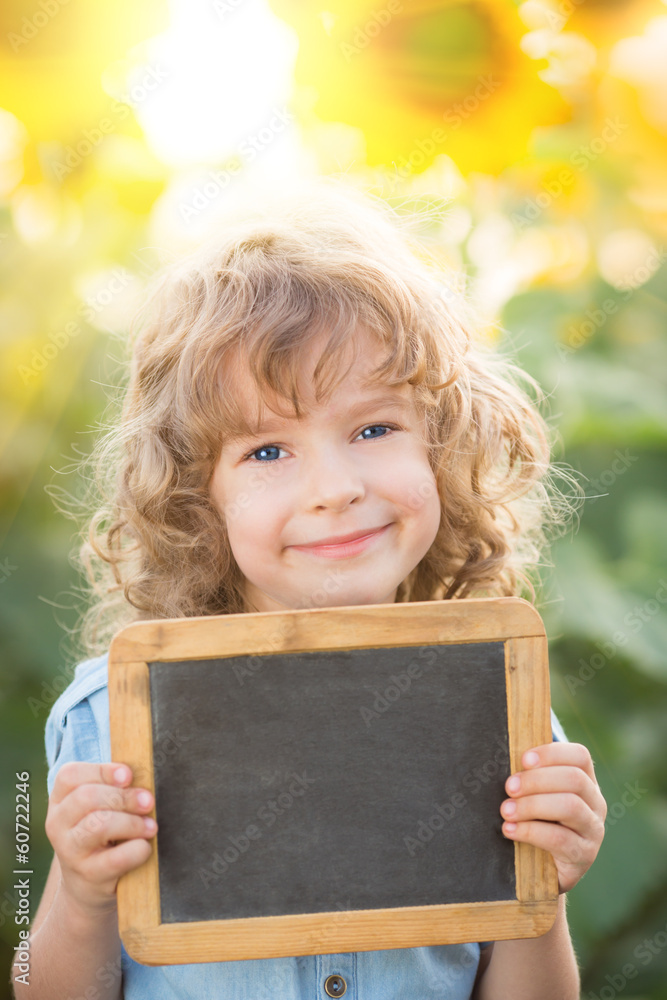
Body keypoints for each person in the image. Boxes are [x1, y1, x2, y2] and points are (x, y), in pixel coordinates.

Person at [19, 177, 606, 999]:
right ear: (198, 497)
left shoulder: (501, 706)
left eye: (374, 428)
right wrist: (79, 896)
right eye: (265, 452)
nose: (333, 487)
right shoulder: (109, 722)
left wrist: (544, 893)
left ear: (441, 448)